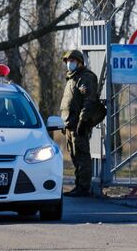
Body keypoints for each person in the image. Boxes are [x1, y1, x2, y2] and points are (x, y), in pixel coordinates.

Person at [60, 50, 98, 197]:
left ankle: (84, 187)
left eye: (72, 61)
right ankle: (78, 185)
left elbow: (89, 101)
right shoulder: (71, 79)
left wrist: (83, 121)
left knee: (82, 156)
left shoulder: (86, 78)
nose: (70, 63)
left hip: (79, 124)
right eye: (68, 61)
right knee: (75, 156)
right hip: (69, 124)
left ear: (80, 62)